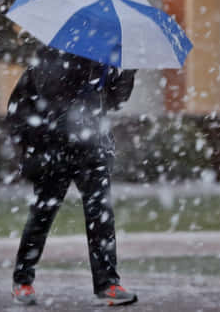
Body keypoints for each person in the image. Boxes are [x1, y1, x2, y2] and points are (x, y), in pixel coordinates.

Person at [8, 46, 138, 306]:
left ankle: (107, 284)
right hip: (54, 147)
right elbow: (50, 97)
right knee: (43, 214)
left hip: (91, 148)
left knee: (101, 214)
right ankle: (23, 280)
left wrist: (128, 72)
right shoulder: (53, 55)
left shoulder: (105, 60)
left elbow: (113, 100)